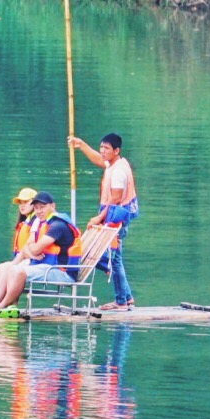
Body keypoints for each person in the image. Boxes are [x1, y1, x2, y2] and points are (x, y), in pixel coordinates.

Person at [0, 189, 79, 313]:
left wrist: (30, 251)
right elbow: (27, 246)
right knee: (10, 267)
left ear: (52, 206)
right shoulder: (43, 223)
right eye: (36, 208)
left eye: (42, 207)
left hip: (61, 271)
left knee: (17, 270)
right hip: (46, 266)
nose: (39, 211)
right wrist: (30, 251)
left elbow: (35, 248)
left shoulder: (57, 225)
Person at [70, 131, 136, 309]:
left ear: (116, 150)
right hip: (114, 216)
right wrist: (81, 145)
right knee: (116, 259)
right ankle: (127, 297)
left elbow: (115, 199)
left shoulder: (119, 172)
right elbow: (100, 160)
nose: (102, 151)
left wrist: (99, 218)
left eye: (106, 148)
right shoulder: (115, 163)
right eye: (101, 147)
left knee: (113, 260)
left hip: (117, 219)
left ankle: (121, 301)